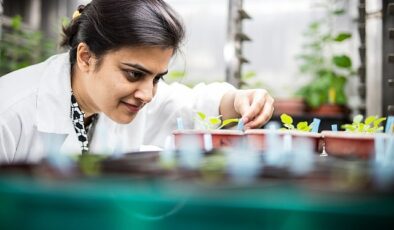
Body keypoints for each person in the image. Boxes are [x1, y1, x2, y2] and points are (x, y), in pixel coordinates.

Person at [0, 0, 274, 163]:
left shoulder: (115, 100)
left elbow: (193, 106)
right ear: (86, 57)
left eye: (157, 78)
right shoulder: (10, 112)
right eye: (134, 74)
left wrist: (240, 101)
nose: (147, 94)